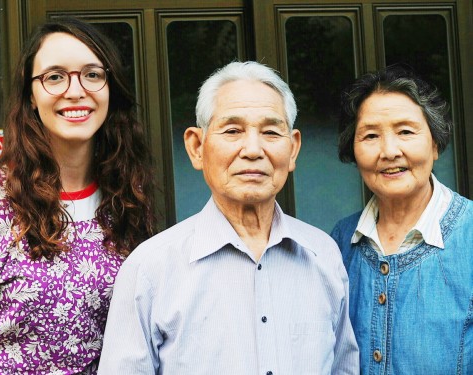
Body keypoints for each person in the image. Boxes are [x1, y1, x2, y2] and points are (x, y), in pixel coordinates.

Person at [98, 61, 359, 374]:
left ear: (292, 150)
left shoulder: (323, 255)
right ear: (196, 147)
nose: (252, 149)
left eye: (271, 132)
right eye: (233, 130)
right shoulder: (151, 270)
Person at [0, 18, 156, 374]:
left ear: (109, 88)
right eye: (55, 76)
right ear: (30, 94)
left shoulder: (126, 201)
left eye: (91, 74)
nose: (75, 91)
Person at [331, 66, 473, 374]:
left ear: (435, 143)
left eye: (406, 132)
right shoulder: (339, 242)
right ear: (353, 152)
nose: (389, 151)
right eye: (370, 136)